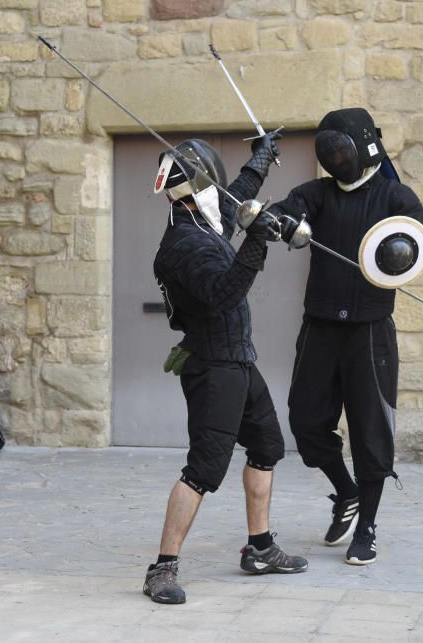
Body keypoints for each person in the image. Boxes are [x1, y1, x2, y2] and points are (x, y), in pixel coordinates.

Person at [143, 134, 308, 605]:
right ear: (199, 185)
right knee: (203, 469)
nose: (223, 192)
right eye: (213, 182)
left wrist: (262, 159)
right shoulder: (184, 244)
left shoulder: (201, 219)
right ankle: (162, 568)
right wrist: (258, 239)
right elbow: (223, 294)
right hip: (214, 367)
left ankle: (260, 549)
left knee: (266, 446)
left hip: (240, 360)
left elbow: (233, 194)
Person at [268, 108, 423, 566]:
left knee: (371, 434)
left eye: (341, 147)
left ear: (363, 144)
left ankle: (368, 527)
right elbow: (287, 212)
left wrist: (397, 256)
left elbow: (410, 244)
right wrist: (276, 222)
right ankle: (346, 492)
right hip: (319, 329)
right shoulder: (314, 194)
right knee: (306, 423)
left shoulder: (398, 198)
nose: (335, 155)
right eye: (329, 149)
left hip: (369, 332)